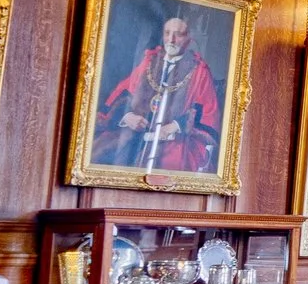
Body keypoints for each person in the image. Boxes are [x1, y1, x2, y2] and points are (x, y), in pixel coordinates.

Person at [94, 14, 224, 172]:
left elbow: (206, 114)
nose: (171, 39)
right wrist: (128, 116)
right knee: (101, 154)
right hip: (137, 133)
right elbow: (123, 95)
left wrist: (176, 126)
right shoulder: (149, 61)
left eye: (178, 34)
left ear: (188, 39)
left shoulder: (199, 71)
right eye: (167, 33)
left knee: (169, 164)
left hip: (175, 138)